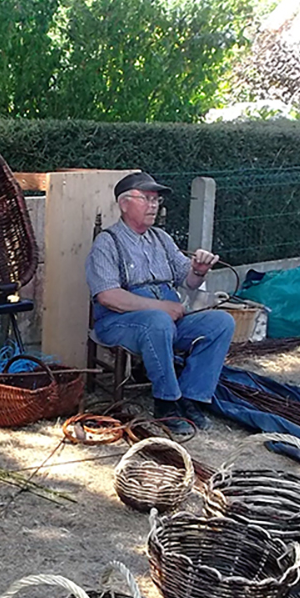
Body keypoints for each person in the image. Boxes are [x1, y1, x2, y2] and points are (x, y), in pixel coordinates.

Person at [86, 172, 235, 436]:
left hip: (167, 319)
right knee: (157, 322)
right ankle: (166, 403)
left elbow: (186, 281)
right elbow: (108, 296)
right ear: (124, 203)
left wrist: (198, 270)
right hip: (118, 322)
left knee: (221, 322)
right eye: (146, 198)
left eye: (156, 200)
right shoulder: (107, 243)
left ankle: (191, 397)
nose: (154, 205)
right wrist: (160, 308)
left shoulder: (161, 239)